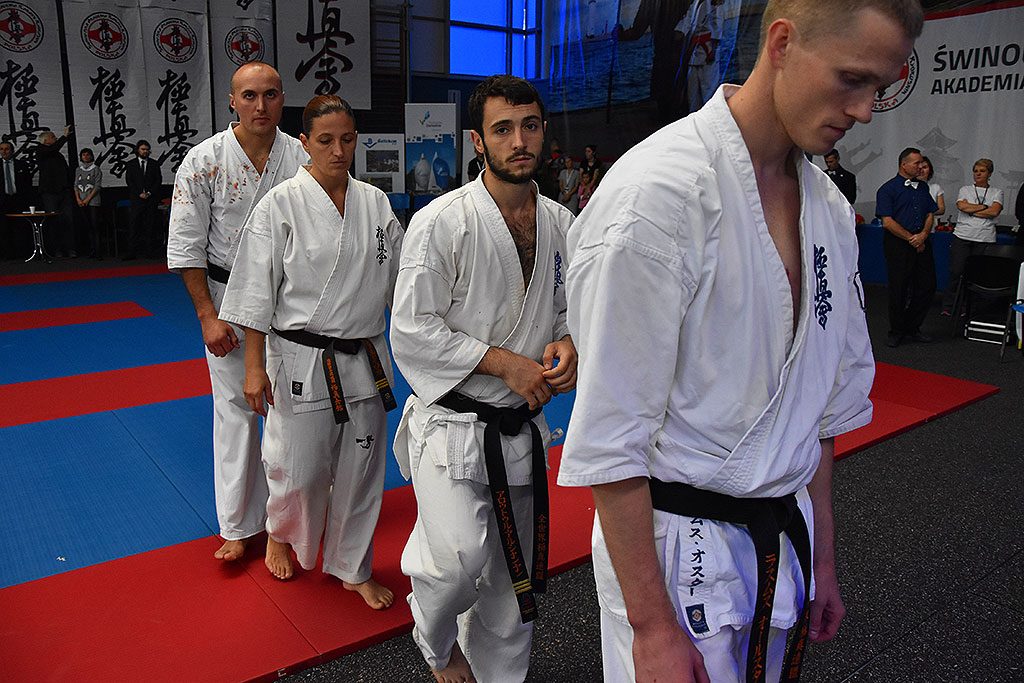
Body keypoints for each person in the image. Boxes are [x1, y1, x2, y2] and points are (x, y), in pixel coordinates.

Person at [557, 2, 922, 682]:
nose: (866, 110)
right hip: (674, 553)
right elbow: (610, 436)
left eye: (880, 86)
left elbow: (819, 413)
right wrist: (651, 627)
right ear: (781, 43)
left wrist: (823, 560)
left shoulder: (829, 210)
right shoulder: (655, 197)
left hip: (782, 534)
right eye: (852, 79)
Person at [390, 75, 577, 683]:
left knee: (509, 581)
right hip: (454, 423)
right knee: (455, 565)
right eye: (503, 129)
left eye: (530, 126)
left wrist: (570, 343)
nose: (519, 141)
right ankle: (437, 643)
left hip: (520, 427)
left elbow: (571, 308)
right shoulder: (441, 222)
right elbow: (411, 329)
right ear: (478, 140)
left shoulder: (561, 222)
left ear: (543, 132)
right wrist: (505, 363)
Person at [218, 95, 402, 610]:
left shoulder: (376, 203)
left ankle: (351, 567)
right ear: (304, 143)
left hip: (365, 357)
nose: (338, 150)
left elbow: (402, 284)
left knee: (362, 472)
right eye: (325, 140)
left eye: (347, 139)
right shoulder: (280, 204)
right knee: (297, 467)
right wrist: (253, 368)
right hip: (301, 358)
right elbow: (255, 292)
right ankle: (280, 532)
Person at [166, 61, 308, 564]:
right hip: (227, 299)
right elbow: (186, 246)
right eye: (249, 95)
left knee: (294, 415)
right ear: (232, 100)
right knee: (234, 412)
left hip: (293, 301)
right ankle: (237, 525)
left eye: (270, 94)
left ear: (283, 98)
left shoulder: (302, 156)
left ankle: (287, 523)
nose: (260, 105)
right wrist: (207, 316)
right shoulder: (203, 161)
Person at [877, 147, 938, 347]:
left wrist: (923, 235)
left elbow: (930, 213)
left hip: (922, 242)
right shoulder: (887, 189)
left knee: (927, 286)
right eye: (917, 163)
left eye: (922, 163)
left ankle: (912, 327)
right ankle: (896, 331)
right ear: (904, 165)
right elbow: (887, 222)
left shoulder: (923, 188)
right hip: (898, 244)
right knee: (899, 289)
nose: (921, 166)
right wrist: (912, 239)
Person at [941, 158, 1003, 315]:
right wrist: (984, 207)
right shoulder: (965, 189)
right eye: (975, 171)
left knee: (977, 275)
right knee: (956, 272)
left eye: (982, 171)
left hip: (985, 239)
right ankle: (949, 306)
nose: (978, 174)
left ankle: (969, 308)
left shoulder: (997, 192)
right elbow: (961, 206)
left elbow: (994, 211)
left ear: (989, 174)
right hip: (962, 236)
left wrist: (972, 210)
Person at [36, 126, 76, 257]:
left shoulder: (57, 155)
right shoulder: (40, 150)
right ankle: (57, 249)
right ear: (45, 140)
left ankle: (70, 248)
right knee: (53, 221)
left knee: (68, 220)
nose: (56, 138)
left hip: (63, 191)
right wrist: (65, 136)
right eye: (53, 137)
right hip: (49, 193)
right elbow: (52, 149)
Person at [123, 140, 163, 259]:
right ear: (137, 150)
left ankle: (150, 252)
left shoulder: (154, 164)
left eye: (147, 149)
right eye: (143, 149)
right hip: (136, 200)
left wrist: (149, 193)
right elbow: (129, 181)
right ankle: (131, 252)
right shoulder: (131, 164)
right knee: (134, 226)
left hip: (150, 200)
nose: (145, 151)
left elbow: (158, 180)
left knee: (150, 226)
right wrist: (139, 193)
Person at [0, 140, 32, 259]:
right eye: (1, 149)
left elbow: (27, 183)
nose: (4, 151)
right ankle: (6, 254)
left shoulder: (21, 164)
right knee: (3, 228)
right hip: (2, 201)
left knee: (20, 227)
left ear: (12, 151)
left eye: (7, 149)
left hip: (18, 200)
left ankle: (22, 253)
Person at [74, 148, 103, 259]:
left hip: (93, 201)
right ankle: (92, 250)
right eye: (83, 155)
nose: (85, 157)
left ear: (91, 156)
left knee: (95, 226)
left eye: (87, 154)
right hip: (81, 201)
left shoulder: (96, 169)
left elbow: (97, 186)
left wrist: (87, 199)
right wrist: (78, 199)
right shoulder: (78, 169)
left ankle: (98, 251)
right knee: (88, 226)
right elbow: (75, 185)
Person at [918, 155, 944, 221]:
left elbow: (941, 209)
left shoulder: (936, 187)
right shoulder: (907, 187)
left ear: (930, 170)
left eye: (924, 167)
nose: (921, 170)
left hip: (931, 225)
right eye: (919, 168)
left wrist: (923, 212)